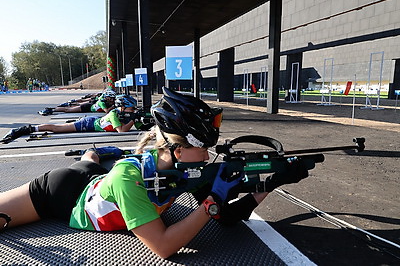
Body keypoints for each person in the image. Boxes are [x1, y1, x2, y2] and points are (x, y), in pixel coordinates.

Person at [0, 87, 309, 258]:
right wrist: (212, 199)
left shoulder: (188, 169)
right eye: (203, 149)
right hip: (62, 193)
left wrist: (268, 185)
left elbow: (225, 218)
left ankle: (96, 153)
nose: (208, 156)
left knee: (92, 159)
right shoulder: (129, 178)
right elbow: (163, 247)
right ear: (177, 150)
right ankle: (96, 154)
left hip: (95, 177)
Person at [2, 94, 149, 142]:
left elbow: (142, 127)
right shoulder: (114, 114)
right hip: (88, 124)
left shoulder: (125, 114)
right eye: (131, 108)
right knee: (57, 129)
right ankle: (25, 129)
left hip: (92, 123)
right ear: (122, 107)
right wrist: (133, 119)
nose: (133, 110)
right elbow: (121, 131)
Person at [38, 89, 116, 115]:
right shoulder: (102, 102)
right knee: (68, 110)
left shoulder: (106, 100)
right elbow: (107, 111)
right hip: (87, 107)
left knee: (70, 108)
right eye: (111, 98)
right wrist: (114, 106)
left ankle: (56, 108)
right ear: (107, 97)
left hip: (91, 106)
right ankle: (51, 109)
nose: (112, 100)